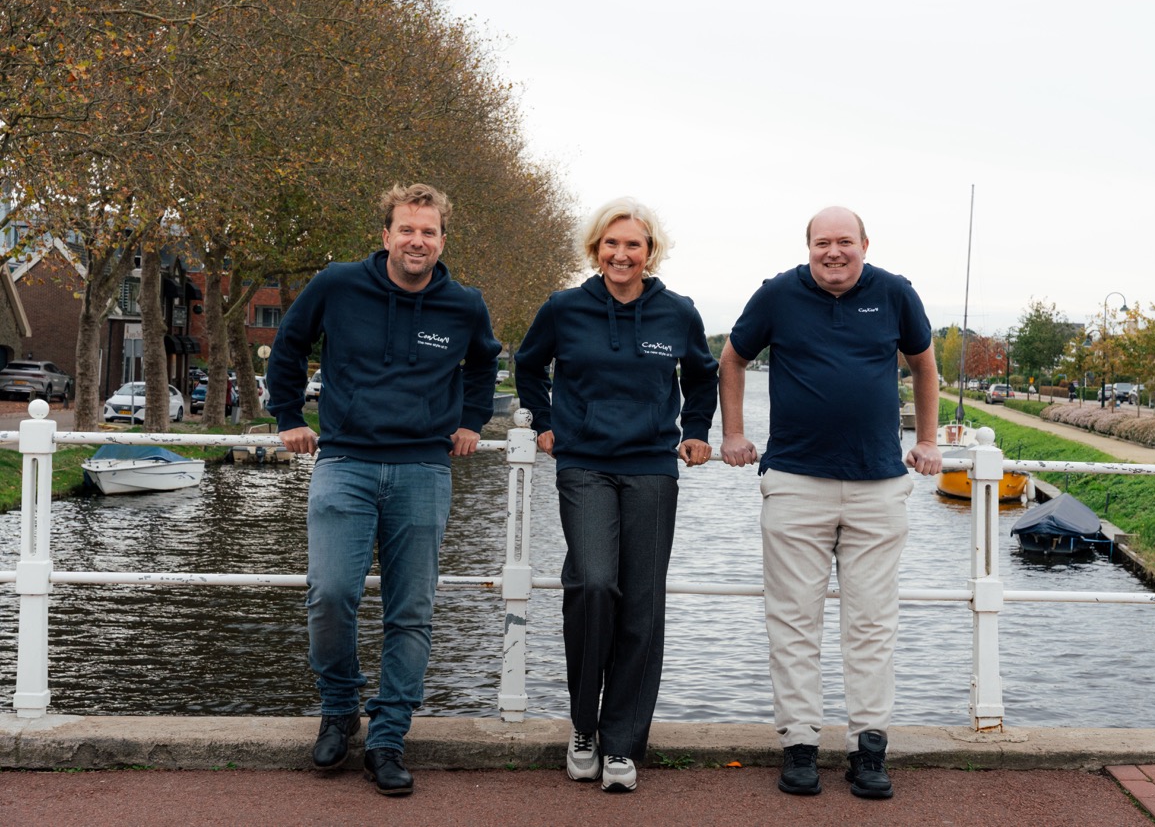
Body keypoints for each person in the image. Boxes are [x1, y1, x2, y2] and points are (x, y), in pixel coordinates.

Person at [267, 183, 501, 796]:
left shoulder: (464, 304)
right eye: (406, 229)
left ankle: (388, 736)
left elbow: (485, 365)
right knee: (331, 594)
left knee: (411, 611)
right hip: (344, 459)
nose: (417, 240)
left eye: (428, 231)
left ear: (442, 239)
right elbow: (288, 346)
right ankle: (340, 708)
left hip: (424, 468)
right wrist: (289, 415)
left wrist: (472, 422)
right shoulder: (338, 285)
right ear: (386, 235)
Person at [719, 206, 942, 800]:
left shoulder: (894, 294)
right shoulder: (776, 296)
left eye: (845, 241)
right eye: (823, 243)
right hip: (795, 482)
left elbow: (924, 364)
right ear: (808, 247)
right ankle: (799, 745)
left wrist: (925, 440)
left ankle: (868, 748)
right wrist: (734, 434)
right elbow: (732, 359)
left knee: (871, 624)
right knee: (793, 621)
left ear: (865, 244)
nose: (833, 252)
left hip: (878, 484)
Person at [515, 198, 718, 793]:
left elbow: (702, 376)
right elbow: (530, 367)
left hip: (653, 467)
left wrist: (698, 432)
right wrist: (546, 421)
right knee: (595, 583)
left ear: (651, 251)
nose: (621, 254)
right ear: (595, 249)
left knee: (642, 604)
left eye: (633, 245)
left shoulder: (677, 313)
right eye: (611, 243)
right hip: (583, 464)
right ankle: (584, 728)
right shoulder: (565, 309)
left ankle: (623, 743)